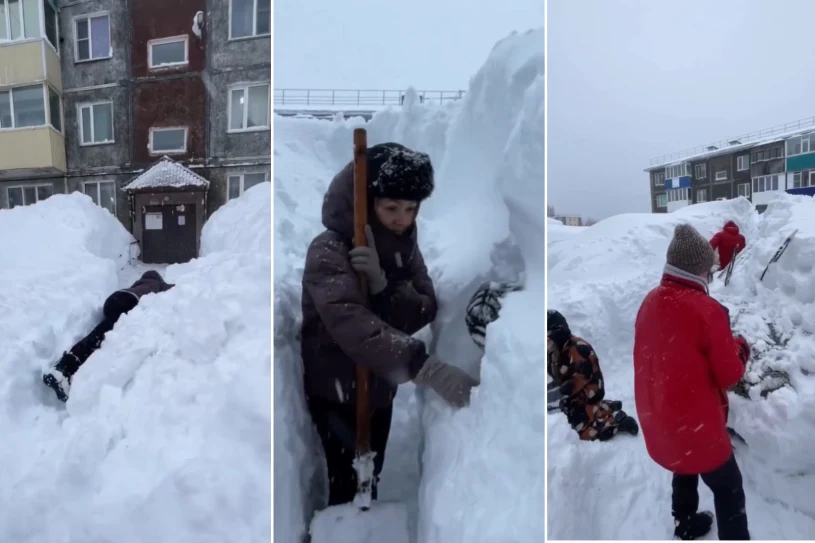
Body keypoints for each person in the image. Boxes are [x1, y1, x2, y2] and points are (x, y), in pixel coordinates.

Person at [300, 142, 479, 507]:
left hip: (381, 387)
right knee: (346, 485)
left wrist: (385, 286)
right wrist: (423, 367)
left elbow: (424, 308)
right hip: (336, 390)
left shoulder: (405, 247)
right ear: (366, 200)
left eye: (411, 208)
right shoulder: (329, 249)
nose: (402, 218)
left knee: (372, 473)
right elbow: (348, 321)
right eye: (391, 207)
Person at [633, 223, 751, 540]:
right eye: (708, 270)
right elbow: (729, 376)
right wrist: (740, 348)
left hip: (661, 417)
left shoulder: (650, 301)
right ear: (700, 270)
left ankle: (684, 522)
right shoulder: (707, 310)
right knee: (729, 488)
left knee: (683, 463)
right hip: (696, 423)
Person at [42, 270, 174, 402]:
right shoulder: (158, 285)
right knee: (100, 337)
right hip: (130, 302)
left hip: (114, 299)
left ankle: (63, 368)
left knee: (101, 330)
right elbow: (179, 291)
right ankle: (64, 369)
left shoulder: (139, 283)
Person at [546, 309, 639, 441]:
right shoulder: (554, 349)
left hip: (587, 394)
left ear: (557, 335)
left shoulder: (579, 352)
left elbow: (569, 388)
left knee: (576, 430)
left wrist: (552, 399)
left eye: (547, 339)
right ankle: (605, 408)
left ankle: (616, 422)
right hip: (572, 393)